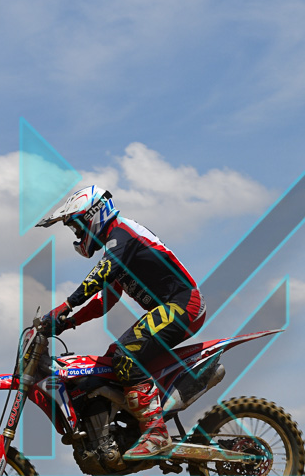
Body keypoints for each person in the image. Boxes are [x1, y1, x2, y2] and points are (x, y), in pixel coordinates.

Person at [40, 185, 206, 460]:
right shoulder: (118, 244)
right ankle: (126, 428)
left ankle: (156, 434)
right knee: (110, 359)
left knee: (126, 356)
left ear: (93, 215)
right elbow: (105, 300)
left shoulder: (123, 234)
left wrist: (67, 305)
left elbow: (102, 273)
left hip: (183, 305)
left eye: (78, 227)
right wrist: (68, 323)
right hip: (170, 309)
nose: (78, 234)